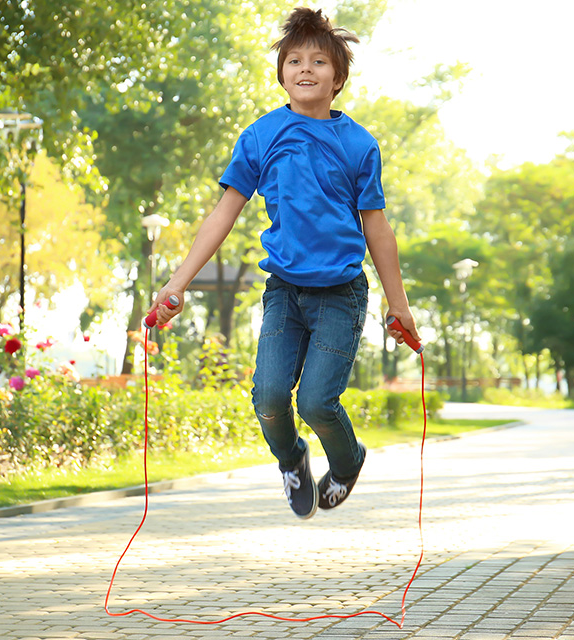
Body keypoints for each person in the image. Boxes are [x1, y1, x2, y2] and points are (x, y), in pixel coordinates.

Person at [146, 7, 421, 520]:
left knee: (317, 402)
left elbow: (377, 229)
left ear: (338, 78)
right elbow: (223, 213)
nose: (306, 68)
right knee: (270, 397)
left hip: (341, 293)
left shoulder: (360, 145)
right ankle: (291, 459)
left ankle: (346, 462)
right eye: (294, 59)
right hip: (285, 292)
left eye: (319, 61)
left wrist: (398, 304)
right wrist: (176, 283)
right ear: (281, 72)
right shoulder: (260, 136)